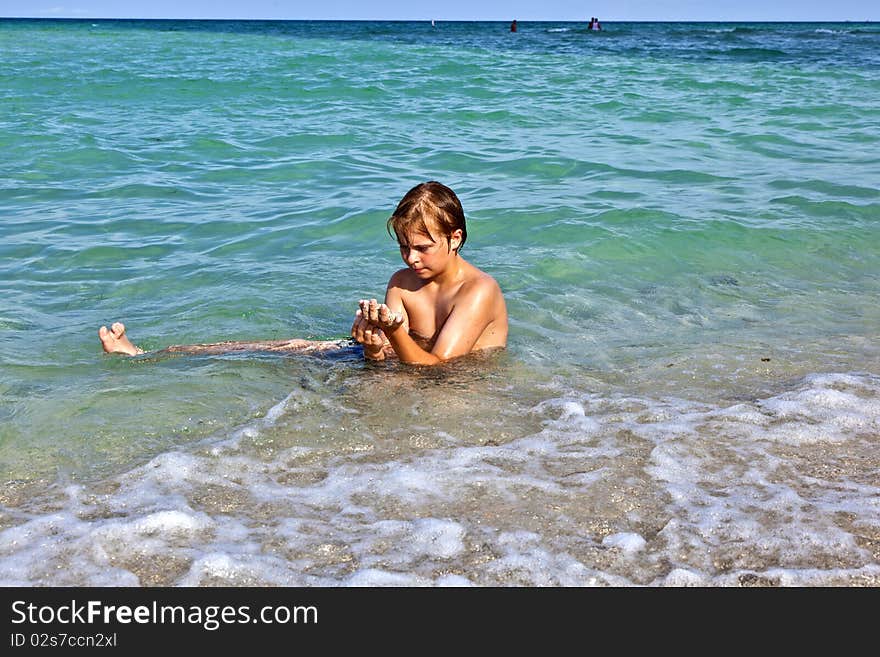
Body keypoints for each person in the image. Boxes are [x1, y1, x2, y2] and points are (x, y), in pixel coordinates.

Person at [98, 182, 508, 366]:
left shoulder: (478, 291)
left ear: (455, 238)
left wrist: (394, 334)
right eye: (404, 247)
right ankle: (148, 355)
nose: (411, 258)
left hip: (456, 386)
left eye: (422, 247)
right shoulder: (401, 282)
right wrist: (369, 343)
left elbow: (438, 369)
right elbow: (383, 357)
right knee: (289, 347)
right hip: (409, 369)